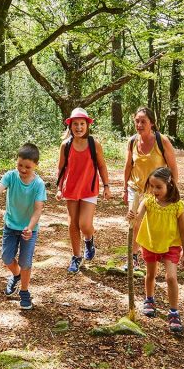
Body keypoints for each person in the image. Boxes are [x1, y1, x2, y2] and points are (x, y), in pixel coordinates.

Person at [0, 143, 46, 310]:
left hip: (29, 229)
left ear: (36, 165)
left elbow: (38, 209)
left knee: (25, 262)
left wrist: (30, 226)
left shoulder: (38, 184)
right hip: (11, 226)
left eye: (27, 166)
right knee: (6, 258)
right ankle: (16, 275)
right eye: (20, 165)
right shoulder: (11, 176)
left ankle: (25, 292)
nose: (23, 169)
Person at [128, 166, 184, 334]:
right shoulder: (147, 202)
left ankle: (174, 312)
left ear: (169, 184)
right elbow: (137, 218)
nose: (154, 190)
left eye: (158, 187)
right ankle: (149, 299)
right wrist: (131, 217)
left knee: (171, 277)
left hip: (171, 246)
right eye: (152, 186)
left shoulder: (177, 206)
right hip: (150, 243)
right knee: (151, 275)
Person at [56, 107, 110, 274]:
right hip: (71, 188)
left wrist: (107, 186)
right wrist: (59, 188)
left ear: (87, 125)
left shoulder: (94, 144)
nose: (78, 127)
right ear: (70, 126)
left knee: (85, 224)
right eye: (75, 124)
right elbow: (61, 168)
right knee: (73, 224)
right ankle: (76, 256)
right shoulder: (66, 145)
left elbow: (101, 165)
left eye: (82, 124)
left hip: (89, 188)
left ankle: (89, 239)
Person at [123, 107, 178, 266]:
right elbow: (128, 166)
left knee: (153, 225)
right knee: (135, 222)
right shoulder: (132, 141)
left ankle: (158, 254)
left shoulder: (162, 141)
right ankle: (132, 257)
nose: (139, 124)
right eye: (137, 121)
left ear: (152, 123)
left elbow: (173, 167)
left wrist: (172, 190)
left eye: (143, 121)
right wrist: (125, 189)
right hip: (136, 189)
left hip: (155, 191)